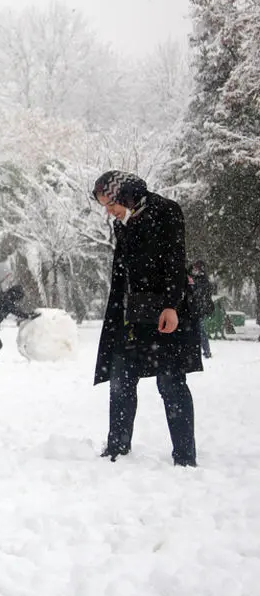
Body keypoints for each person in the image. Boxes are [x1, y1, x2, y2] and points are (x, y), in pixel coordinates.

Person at [92, 171, 200, 467]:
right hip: (132, 316)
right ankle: (116, 448)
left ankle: (185, 456)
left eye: (110, 203)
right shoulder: (122, 223)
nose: (108, 210)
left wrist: (171, 306)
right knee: (121, 380)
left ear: (124, 194)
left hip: (166, 313)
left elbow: (175, 260)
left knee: (171, 382)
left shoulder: (165, 210)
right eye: (104, 205)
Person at [188, 260, 215, 358]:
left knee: (200, 331)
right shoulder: (196, 279)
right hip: (195, 309)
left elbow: (199, 294)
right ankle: (198, 352)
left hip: (199, 310)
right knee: (196, 331)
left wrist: (192, 286)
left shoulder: (203, 281)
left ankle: (206, 352)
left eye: (196, 268)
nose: (194, 270)